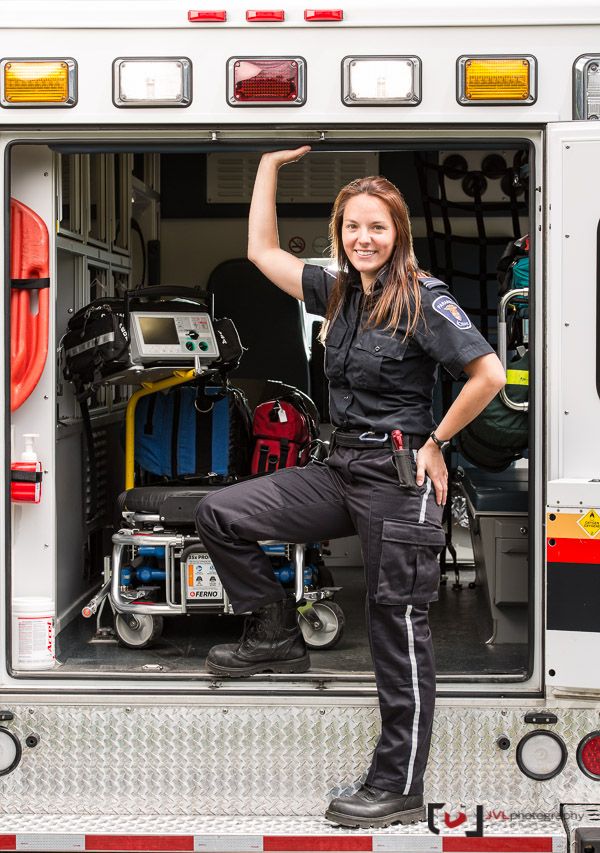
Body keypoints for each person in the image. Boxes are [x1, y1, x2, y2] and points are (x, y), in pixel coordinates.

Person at [195, 147, 506, 828]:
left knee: (395, 627)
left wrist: (436, 441)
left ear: (399, 234)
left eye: (378, 228)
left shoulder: (424, 296)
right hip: (341, 469)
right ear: (340, 231)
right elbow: (261, 250)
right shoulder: (337, 289)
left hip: (401, 477)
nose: (364, 239)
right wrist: (267, 166)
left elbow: (488, 375)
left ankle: (397, 783)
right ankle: (273, 629)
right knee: (221, 511)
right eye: (353, 227)